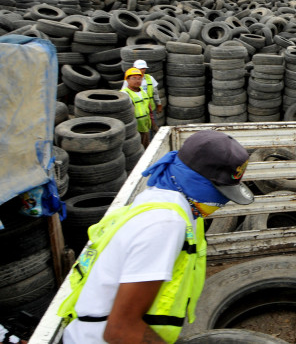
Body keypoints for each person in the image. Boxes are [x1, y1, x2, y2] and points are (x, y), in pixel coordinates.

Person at [60, 130, 254, 344]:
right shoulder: (165, 224)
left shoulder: (156, 199)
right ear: (198, 182)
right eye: (219, 193)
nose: (219, 204)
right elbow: (120, 331)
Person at [122, 59, 163, 132]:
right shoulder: (128, 81)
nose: (142, 70)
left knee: (151, 128)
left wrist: (159, 104)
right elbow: (124, 95)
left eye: (143, 68)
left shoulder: (150, 78)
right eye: (139, 68)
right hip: (136, 113)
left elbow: (155, 92)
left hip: (149, 108)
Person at [121, 68, 156, 147]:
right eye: (134, 78)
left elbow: (149, 108)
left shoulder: (143, 92)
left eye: (139, 78)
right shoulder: (125, 94)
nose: (137, 81)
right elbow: (125, 114)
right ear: (127, 80)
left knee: (145, 148)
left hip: (145, 128)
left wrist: (153, 123)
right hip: (134, 130)